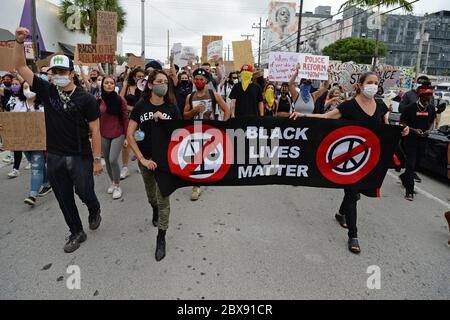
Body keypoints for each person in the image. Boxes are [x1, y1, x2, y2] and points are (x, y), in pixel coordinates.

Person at [290, 72, 409, 254]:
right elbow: (325, 118)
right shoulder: (349, 105)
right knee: (353, 194)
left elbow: (386, 129)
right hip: (349, 160)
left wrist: (402, 131)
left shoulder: (379, 105)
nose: (373, 86)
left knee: (355, 192)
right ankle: (353, 235)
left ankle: (341, 214)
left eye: (376, 83)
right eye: (370, 82)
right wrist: (303, 116)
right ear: (360, 86)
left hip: (368, 160)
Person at [14, 27, 103, 253]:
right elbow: (20, 67)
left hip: (80, 156)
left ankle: (94, 208)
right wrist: (18, 42)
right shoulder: (47, 90)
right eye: (55, 71)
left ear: (72, 73)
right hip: (54, 155)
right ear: (50, 74)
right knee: (64, 197)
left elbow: (95, 130)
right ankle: (76, 231)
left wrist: (96, 159)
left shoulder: (86, 99)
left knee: (84, 192)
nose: (58, 75)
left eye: (63, 71)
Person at [127, 70, 181, 261]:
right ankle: (154, 209)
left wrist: (167, 121)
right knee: (152, 197)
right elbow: (130, 134)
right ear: (150, 85)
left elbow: (180, 134)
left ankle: (161, 237)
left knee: (163, 198)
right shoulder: (141, 106)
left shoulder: (171, 107)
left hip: (165, 162)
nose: (163, 85)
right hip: (146, 160)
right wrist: (141, 158)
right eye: (159, 81)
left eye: (165, 82)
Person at [183, 68, 231, 201]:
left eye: (201, 80)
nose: (199, 82)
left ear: (206, 81)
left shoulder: (214, 94)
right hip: (195, 132)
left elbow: (226, 110)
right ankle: (196, 186)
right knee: (196, 159)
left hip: (211, 132)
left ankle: (211, 177)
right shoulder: (190, 97)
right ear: (193, 80)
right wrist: (194, 110)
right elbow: (185, 115)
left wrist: (223, 126)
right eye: (196, 79)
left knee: (212, 158)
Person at [5, 81, 52, 205]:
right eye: (25, 87)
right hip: (23, 142)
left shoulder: (43, 106)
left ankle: (32, 195)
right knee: (36, 164)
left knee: (36, 167)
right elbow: (11, 122)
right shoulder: (18, 105)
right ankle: (47, 182)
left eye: (30, 87)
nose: (27, 89)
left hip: (38, 142)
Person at [399, 82, 436, 201]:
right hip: (410, 140)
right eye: (426, 97)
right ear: (420, 96)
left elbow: (431, 122)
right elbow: (401, 122)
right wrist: (414, 130)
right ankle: (409, 191)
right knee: (410, 164)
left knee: (417, 163)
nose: (428, 99)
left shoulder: (430, 108)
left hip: (423, 141)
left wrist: (429, 131)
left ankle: (404, 177)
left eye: (430, 97)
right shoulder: (410, 108)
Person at [98, 76, 129, 200]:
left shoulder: (120, 100)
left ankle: (117, 186)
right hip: (104, 133)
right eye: (106, 83)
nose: (109, 85)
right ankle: (112, 182)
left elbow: (125, 118)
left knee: (112, 160)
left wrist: (127, 137)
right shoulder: (99, 100)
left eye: (111, 83)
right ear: (103, 85)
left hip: (119, 132)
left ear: (114, 85)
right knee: (106, 159)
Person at [120, 67, 145, 179]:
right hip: (129, 118)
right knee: (126, 143)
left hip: (140, 119)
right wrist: (129, 108)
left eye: (142, 76)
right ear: (134, 77)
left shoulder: (145, 88)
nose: (140, 78)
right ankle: (125, 167)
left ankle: (140, 163)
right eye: (138, 76)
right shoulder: (128, 87)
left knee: (140, 140)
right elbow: (120, 99)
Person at [3, 77, 25, 177]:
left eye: (16, 84)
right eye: (13, 84)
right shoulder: (10, 95)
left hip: (23, 124)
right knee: (17, 147)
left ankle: (31, 161)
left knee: (27, 148)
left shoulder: (24, 96)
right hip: (13, 125)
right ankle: (15, 169)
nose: (14, 86)